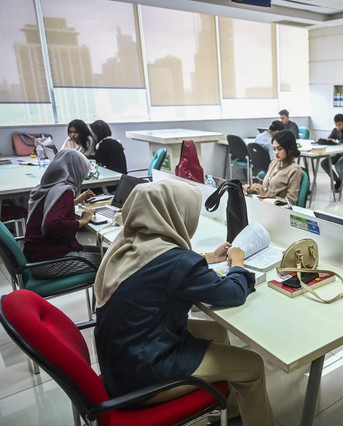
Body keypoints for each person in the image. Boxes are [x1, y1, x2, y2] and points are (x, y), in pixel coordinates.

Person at [94, 179, 275, 426]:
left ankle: (229, 408)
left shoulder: (126, 243)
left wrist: (210, 257)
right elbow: (233, 293)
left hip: (120, 362)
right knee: (252, 365)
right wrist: (238, 261)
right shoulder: (176, 261)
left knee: (214, 329)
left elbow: (156, 266)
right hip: (143, 377)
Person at [23, 149, 101, 278]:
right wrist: (82, 221)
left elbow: (49, 207)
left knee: (109, 253)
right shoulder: (65, 190)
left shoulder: (45, 186)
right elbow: (52, 224)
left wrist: (76, 200)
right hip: (49, 262)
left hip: (36, 257)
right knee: (112, 262)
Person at [243, 130, 303, 205]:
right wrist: (253, 190)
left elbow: (291, 202)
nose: (276, 152)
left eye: (279, 149)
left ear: (290, 149)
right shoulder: (273, 163)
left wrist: (267, 196)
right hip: (265, 205)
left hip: (277, 210)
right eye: (274, 149)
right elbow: (266, 191)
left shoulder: (295, 170)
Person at [320, 113, 343, 191]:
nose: (338, 127)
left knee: (338, 166)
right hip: (340, 154)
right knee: (324, 163)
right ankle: (338, 180)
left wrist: (336, 141)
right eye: (336, 125)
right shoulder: (335, 130)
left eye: (340, 125)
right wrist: (331, 140)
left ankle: (340, 181)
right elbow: (329, 138)